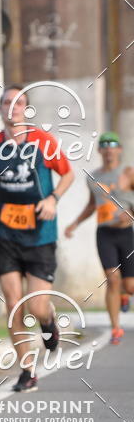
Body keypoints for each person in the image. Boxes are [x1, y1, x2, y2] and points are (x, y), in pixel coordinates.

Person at [0, 84, 74, 392]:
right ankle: (27, 371)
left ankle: (48, 321)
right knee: (14, 304)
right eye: (7, 102)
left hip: (40, 235)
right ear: (0, 109)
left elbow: (68, 174)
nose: (12, 107)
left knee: (37, 307)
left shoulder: (42, 140)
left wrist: (53, 199)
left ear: (26, 109)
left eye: (19, 102)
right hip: (5, 235)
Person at [65, 131, 134, 345]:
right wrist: (75, 223)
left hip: (126, 233)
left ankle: (125, 293)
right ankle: (115, 328)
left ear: (119, 150)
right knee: (112, 279)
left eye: (112, 146)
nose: (108, 150)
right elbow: (91, 205)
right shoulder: (92, 178)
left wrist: (130, 213)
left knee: (130, 286)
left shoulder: (128, 173)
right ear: (100, 151)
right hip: (104, 233)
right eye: (104, 146)